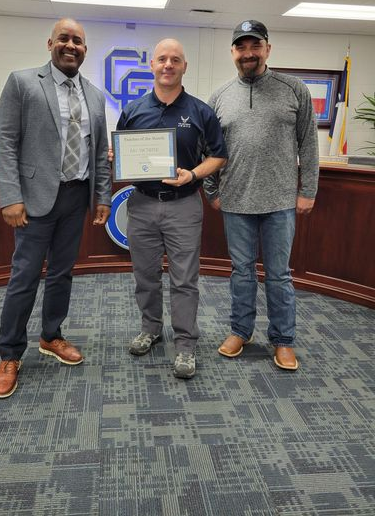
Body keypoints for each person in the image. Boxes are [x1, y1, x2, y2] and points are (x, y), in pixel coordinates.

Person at [0, 18, 111, 398]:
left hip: (76, 196)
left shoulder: (94, 95)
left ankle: (51, 336)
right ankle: (10, 353)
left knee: (62, 273)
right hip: (34, 199)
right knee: (24, 276)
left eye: (78, 40)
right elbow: (6, 143)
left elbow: (100, 156)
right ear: (50, 43)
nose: (71, 45)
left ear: (85, 49)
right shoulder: (23, 82)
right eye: (64, 38)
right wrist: (10, 196)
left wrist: (104, 198)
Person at [204, 20, 319, 371]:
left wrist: (308, 190)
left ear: (268, 48)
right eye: (241, 47)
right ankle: (241, 331)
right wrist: (212, 191)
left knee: (279, 274)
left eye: (255, 46)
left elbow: (309, 143)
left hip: (280, 202)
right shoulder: (220, 96)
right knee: (241, 272)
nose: (248, 53)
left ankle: (283, 340)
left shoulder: (294, 89)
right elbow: (207, 147)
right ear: (233, 52)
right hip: (235, 201)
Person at [116, 38, 226, 379]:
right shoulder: (133, 110)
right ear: (152, 65)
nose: (168, 65)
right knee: (145, 276)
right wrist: (117, 159)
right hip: (143, 206)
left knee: (184, 280)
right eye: (162, 59)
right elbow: (120, 153)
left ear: (184, 67)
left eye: (175, 59)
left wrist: (192, 174)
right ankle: (151, 328)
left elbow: (219, 156)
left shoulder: (200, 111)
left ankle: (185, 344)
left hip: (184, 206)